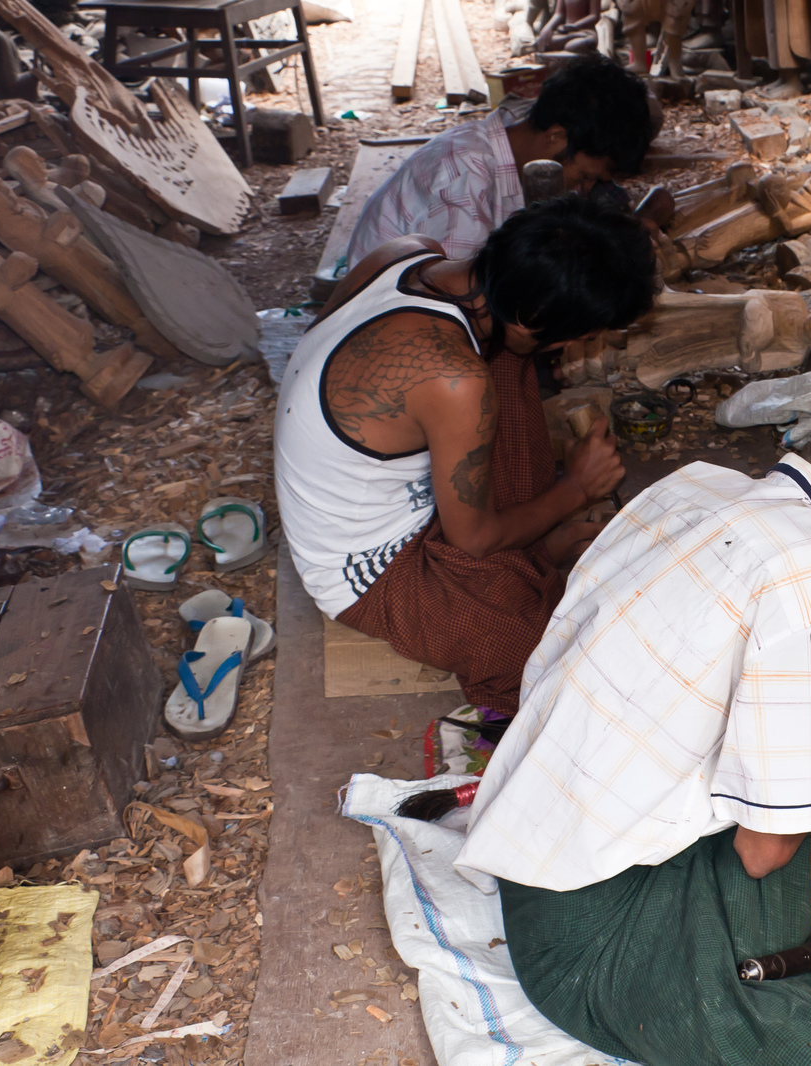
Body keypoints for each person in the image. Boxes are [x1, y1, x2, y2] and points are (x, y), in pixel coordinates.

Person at [455, 400, 811, 1066]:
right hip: (581, 938)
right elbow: (761, 854)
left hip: (536, 831)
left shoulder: (700, 484)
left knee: (789, 845)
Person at [275, 196, 656, 713]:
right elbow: (473, 542)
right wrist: (576, 489)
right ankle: (531, 560)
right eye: (580, 338)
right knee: (551, 651)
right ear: (533, 314)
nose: (573, 350)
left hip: (371, 491)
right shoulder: (454, 380)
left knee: (508, 358)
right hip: (364, 571)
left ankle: (527, 554)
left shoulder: (409, 253)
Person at [345, 56, 656, 269]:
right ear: (555, 137)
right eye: (584, 176)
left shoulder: (526, 144)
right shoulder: (465, 172)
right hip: (390, 327)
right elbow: (462, 298)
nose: (583, 189)